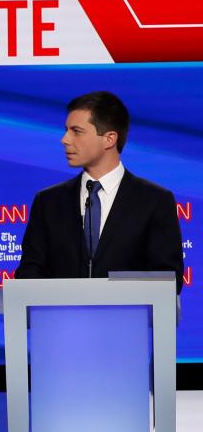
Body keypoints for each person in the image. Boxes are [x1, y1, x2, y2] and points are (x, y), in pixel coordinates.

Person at [15, 91, 183, 292]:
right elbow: (29, 273)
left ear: (109, 139)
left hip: (128, 321)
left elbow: (167, 279)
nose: (65, 140)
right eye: (66, 130)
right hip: (60, 321)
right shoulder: (48, 202)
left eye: (76, 131)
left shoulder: (154, 201)